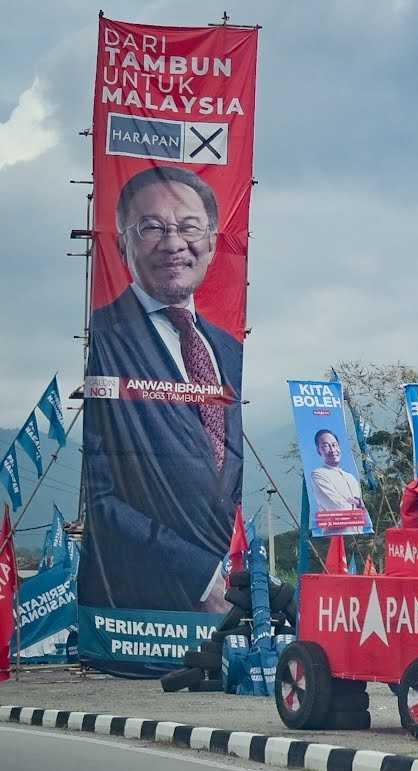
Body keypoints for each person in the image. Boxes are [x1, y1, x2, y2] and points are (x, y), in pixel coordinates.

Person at [80, 167, 243, 614]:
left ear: (211, 241)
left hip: (223, 592)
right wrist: (201, 576)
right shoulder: (106, 339)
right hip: (138, 606)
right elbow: (101, 497)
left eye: (189, 227)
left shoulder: (229, 351)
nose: (173, 244)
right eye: (151, 228)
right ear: (121, 244)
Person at [310, 429, 366, 535]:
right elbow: (339, 509)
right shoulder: (319, 475)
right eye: (326, 446)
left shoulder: (351, 478)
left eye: (334, 445)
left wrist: (359, 505)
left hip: (359, 536)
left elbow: (365, 514)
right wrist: (358, 506)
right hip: (337, 538)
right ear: (318, 451)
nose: (332, 449)